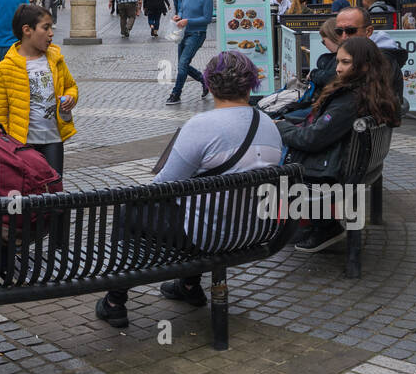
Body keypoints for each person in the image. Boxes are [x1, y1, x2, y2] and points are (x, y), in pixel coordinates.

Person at [95, 51, 284, 328]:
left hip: (206, 236)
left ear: (210, 82)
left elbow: (163, 188)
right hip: (253, 230)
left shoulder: (201, 125)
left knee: (132, 210)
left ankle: (115, 301)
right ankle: (188, 286)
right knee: (203, 207)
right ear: (251, 83)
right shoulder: (268, 124)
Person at [276, 36, 400, 253]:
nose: (339, 68)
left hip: (333, 171)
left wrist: (279, 127)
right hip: (358, 166)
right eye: (338, 62)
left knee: (267, 163)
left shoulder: (350, 99)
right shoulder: (374, 91)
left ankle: (323, 226)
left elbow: (312, 140)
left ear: (365, 66)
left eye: (346, 62)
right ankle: (316, 224)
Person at [0, 5, 78, 175]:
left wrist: (70, 97)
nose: (51, 33)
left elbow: (70, 86)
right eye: (46, 27)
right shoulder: (4, 69)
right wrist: (4, 147)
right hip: (22, 144)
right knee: (28, 190)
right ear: (27, 30)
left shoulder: (55, 59)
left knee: (54, 188)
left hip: (53, 139)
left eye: (51, 27)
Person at [335, 6, 409, 105]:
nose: (344, 36)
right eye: (339, 31)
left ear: (368, 31)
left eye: (350, 30)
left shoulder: (381, 59)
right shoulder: (350, 53)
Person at [275, 17, 342, 122]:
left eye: (324, 42)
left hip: (324, 106)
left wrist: (314, 73)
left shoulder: (339, 58)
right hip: (321, 104)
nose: (324, 45)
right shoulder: (333, 57)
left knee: (285, 118)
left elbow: (331, 77)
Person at [165, 0, 214, 104]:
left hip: (197, 34)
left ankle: (176, 93)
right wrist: (178, 16)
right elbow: (182, 10)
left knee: (183, 63)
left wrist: (188, 21)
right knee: (183, 65)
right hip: (183, 33)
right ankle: (203, 79)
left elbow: (207, 19)